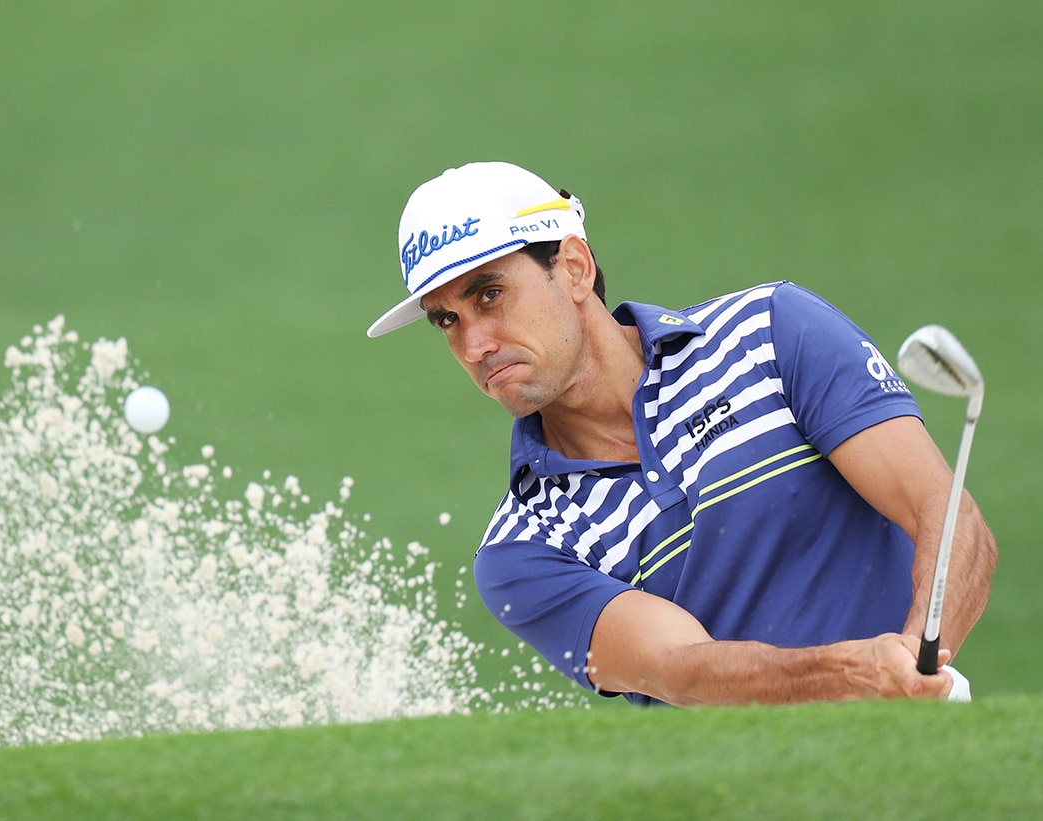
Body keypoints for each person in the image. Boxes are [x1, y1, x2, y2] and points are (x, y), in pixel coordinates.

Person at [366, 161, 997, 705]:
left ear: (576, 267)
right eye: (447, 320)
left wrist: (919, 660)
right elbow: (682, 671)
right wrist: (858, 674)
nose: (473, 344)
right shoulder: (522, 549)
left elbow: (945, 515)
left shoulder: (770, 330)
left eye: (490, 295)